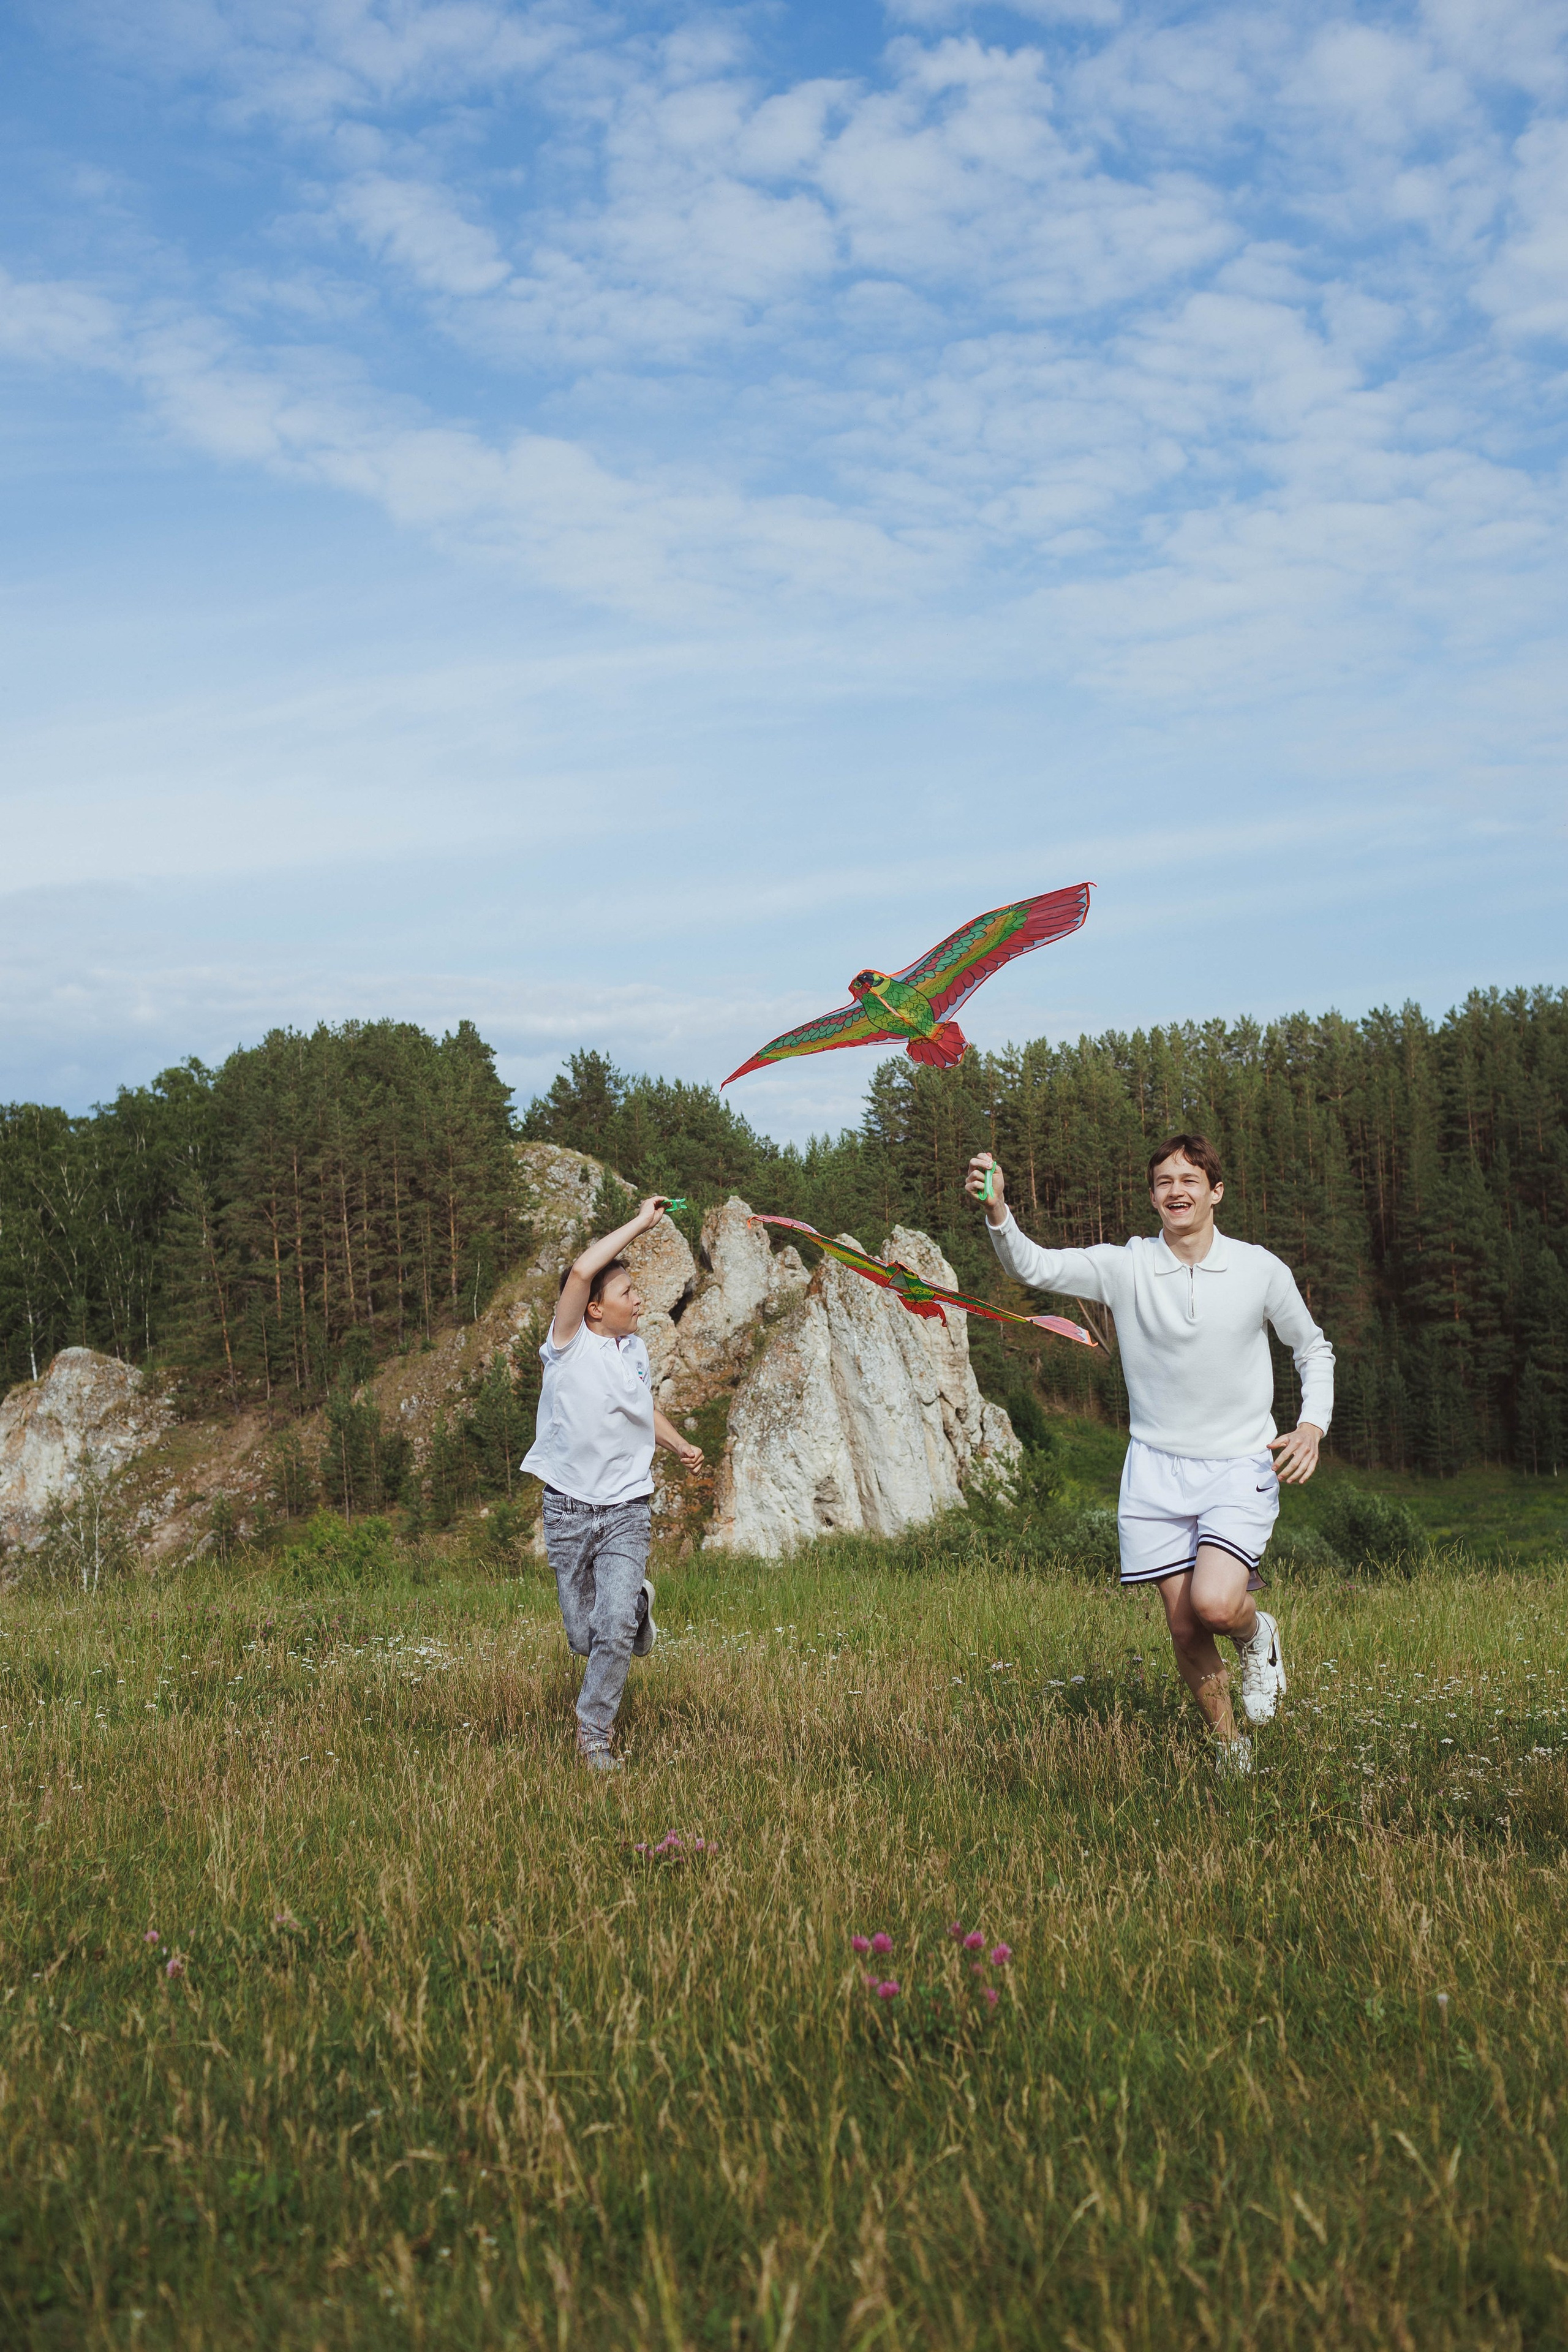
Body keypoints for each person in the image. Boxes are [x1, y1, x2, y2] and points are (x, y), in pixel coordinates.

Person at [967, 1134, 1333, 1773]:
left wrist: (1311, 1427)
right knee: (1184, 1625)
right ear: (1152, 1197)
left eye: (1190, 1179)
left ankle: (1257, 1636)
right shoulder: (1126, 1265)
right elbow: (1032, 1268)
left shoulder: (1259, 1269)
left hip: (1237, 1463)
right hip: (1154, 1472)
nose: (1177, 1191)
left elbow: (1313, 1348)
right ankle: (1230, 1749)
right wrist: (999, 1210)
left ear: (1215, 1193)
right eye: (1164, 1181)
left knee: (1215, 1605)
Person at [522, 1196, 704, 1772]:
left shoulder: (636, 1350)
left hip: (627, 1505)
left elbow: (638, 1409)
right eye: (628, 1293)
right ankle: (632, 1610)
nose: (639, 1301)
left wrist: (677, 1445)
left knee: (613, 1625)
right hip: (570, 1509)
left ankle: (594, 1735)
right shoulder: (567, 1343)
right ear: (595, 1308)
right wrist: (643, 1224)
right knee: (586, 1636)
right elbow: (580, 1271)